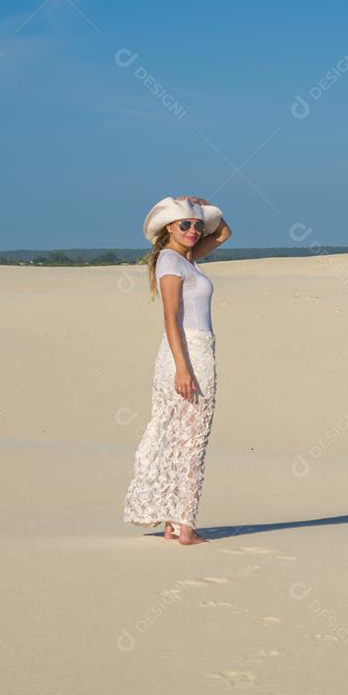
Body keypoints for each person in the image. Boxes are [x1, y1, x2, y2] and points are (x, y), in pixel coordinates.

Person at [123, 196, 232, 545]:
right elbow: (170, 317)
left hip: (195, 352)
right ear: (168, 227)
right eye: (184, 224)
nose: (193, 230)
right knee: (190, 440)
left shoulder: (186, 259)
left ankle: (172, 522)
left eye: (197, 225)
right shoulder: (171, 261)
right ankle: (186, 526)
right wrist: (183, 368)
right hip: (187, 354)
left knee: (178, 437)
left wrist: (205, 207)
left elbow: (225, 232)